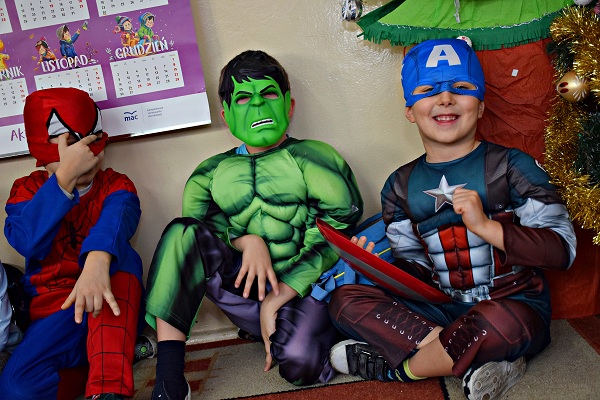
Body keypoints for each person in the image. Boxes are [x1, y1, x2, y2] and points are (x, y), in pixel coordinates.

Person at [326, 38, 577, 400]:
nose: (445, 99)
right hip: (442, 310)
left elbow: (562, 252)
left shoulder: (512, 166)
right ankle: (476, 356)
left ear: (481, 105)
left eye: (460, 87)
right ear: (410, 110)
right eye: (428, 90)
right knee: (344, 301)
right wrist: (378, 267)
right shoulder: (399, 185)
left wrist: (487, 227)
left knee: (497, 323)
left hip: (511, 307)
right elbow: (415, 273)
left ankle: (399, 369)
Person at [144, 50, 363, 400]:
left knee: (300, 364)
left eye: (269, 93)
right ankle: (169, 381)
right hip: (247, 294)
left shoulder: (315, 157)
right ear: (226, 114)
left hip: (308, 291)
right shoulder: (208, 174)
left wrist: (281, 294)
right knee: (181, 232)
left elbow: (339, 228)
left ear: (289, 105)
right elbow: (195, 245)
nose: (258, 105)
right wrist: (245, 241)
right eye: (244, 98)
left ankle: (337, 340)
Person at [1, 87, 144, 400]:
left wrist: (96, 262)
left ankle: (108, 389)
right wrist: (64, 178)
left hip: (110, 299)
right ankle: (95, 369)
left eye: (91, 140)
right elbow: (26, 240)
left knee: (122, 257)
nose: (84, 153)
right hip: (57, 315)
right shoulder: (26, 190)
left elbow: (119, 218)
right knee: (15, 388)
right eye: (70, 143)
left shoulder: (115, 185)